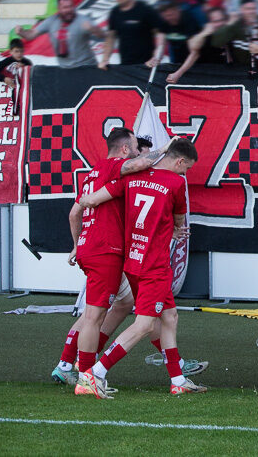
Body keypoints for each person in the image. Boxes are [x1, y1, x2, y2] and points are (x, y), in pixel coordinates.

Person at [75, 138, 205, 398]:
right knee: (145, 325)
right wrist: (176, 228)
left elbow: (93, 200)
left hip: (132, 262)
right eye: (187, 167)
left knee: (169, 317)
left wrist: (86, 200)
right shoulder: (177, 183)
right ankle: (94, 374)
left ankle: (178, 379)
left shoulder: (134, 176)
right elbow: (180, 219)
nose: (185, 173)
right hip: (154, 265)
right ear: (180, 161)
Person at [54, 128, 170, 389]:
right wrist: (163, 150)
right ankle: (85, 375)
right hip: (105, 251)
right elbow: (140, 163)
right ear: (125, 150)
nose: (141, 156)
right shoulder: (115, 168)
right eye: (135, 148)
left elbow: (75, 214)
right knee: (95, 316)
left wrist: (76, 245)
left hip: (90, 248)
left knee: (118, 305)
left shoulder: (93, 174)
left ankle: (72, 366)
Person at [15, 0, 101, 67]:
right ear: (59, 8)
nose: (68, 10)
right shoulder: (52, 21)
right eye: (65, 7)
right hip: (65, 68)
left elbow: (103, 35)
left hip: (86, 66)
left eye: (71, 6)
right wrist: (21, 32)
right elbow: (32, 34)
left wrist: (94, 29)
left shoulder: (82, 20)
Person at [101, 0, 164, 69]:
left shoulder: (145, 10)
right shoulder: (115, 12)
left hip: (146, 65)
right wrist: (105, 59)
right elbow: (111, 37)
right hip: (126, 64)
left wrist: (156, 57)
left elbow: (161, 32)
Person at [210, 0, 258, 66]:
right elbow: (216, 43)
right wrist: (229, 24)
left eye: (254, 8)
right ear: (241, 10)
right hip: (240, 67)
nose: (251, 12)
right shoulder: (235, 25)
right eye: (248, 9)